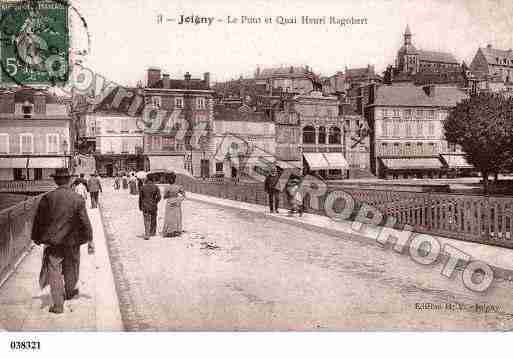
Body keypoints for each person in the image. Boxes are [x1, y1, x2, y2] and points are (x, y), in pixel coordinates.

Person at [31, 168, 94, 314]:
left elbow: (39, 220)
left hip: (54, 242)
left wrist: (36, 237)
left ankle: (58, 305)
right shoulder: (77, 198)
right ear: (69, 180)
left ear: (55, 180)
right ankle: (70, 291)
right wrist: (90, 239)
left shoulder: (47, 198)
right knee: (71, 267)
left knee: (54, 271)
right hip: (72, 242)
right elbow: (85, 221)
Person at [161, 172, 186, 238]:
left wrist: (168, 195)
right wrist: (179, 200)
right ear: (174, 179)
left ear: (168, 180)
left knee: (169, 217)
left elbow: (165, 197)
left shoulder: (167, 188)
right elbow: (184, 195)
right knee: (177, 217)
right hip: (177, 202)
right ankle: (177, 230)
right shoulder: (178, 187)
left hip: (169, 202)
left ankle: (169, 230)